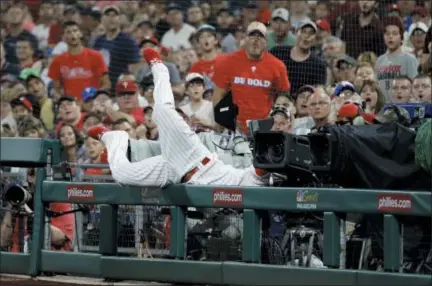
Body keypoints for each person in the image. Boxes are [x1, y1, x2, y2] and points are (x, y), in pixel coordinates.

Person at [87, 48, 269, 187]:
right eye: (265, 170)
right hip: (191, 155)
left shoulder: (252, 188)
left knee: (122, 174)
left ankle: (111, 137)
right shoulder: (248, 177)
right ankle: (160, 68)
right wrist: (265, 166)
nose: (264, 171)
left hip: (174, 173)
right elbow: (256, 175)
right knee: (162, 110)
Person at [213, 21, 290, 133]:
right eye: (252, 35)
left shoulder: (277, 66)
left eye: (260, 37)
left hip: (265, 128)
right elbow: (218, 94)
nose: (256, 40)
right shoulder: (228, 62)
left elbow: (284, 95)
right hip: (234, 128)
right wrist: (222, 120)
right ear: (245, 39)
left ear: (266, 42)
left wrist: (275, 119)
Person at [48, 21, 110, 101]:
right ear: (63, 37)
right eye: (68, 32)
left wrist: (96, 97)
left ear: (80, 34)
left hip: (93, 103)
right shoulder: (57, 61)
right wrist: (65, 100)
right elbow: (56, 88)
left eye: (75, 31)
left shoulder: (96, 56)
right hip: (71, 106)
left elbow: (106, 83)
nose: (73, 34)